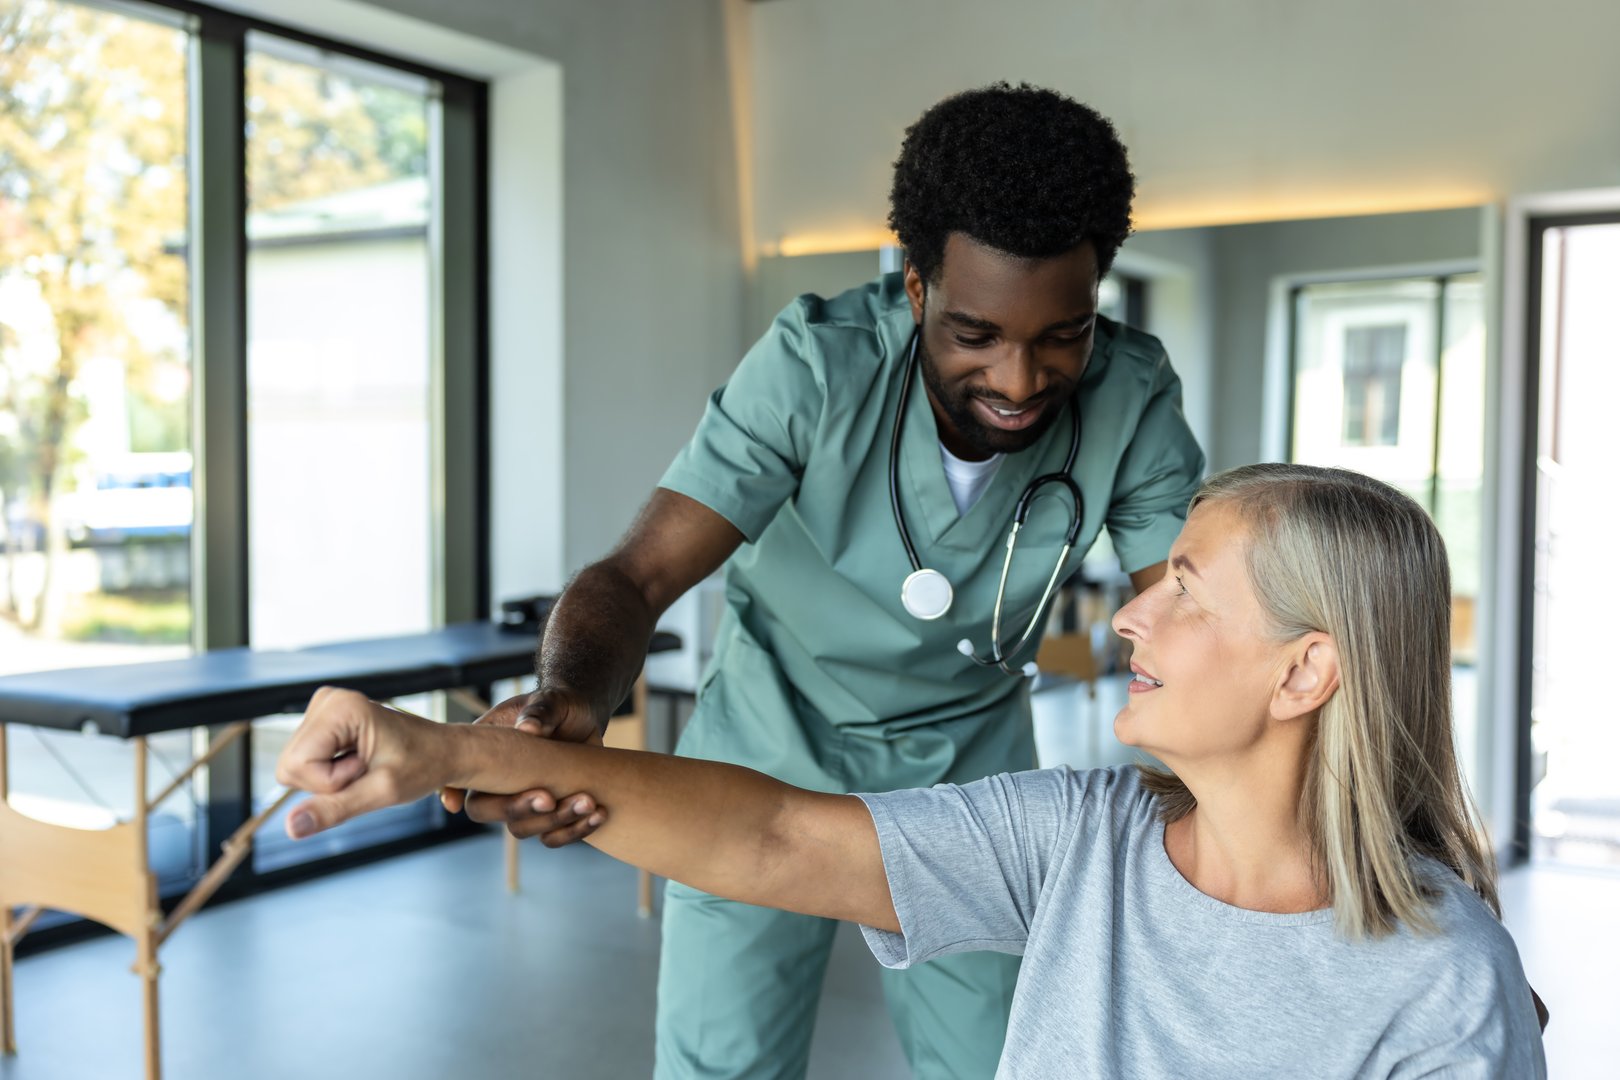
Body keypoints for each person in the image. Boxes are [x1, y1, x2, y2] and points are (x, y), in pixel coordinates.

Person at [279, 463, 1547, 1079]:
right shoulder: (1082, 838)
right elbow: (775, 835)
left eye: (1188, 597)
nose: (1129, 619)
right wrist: (437, 748)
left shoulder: (1439, 990)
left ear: (1305, 673)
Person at [444, 82, 1204, 1079]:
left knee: (996, 1059)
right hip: (764, 744)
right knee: (724, 1060)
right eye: (976, 334)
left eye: (1060, 335)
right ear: (917, 290)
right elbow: (637, 576)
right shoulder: (815, 367)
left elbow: (1198, 616)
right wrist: (569, 701)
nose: (1019, 382)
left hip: (970, 762)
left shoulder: (1132, 398)